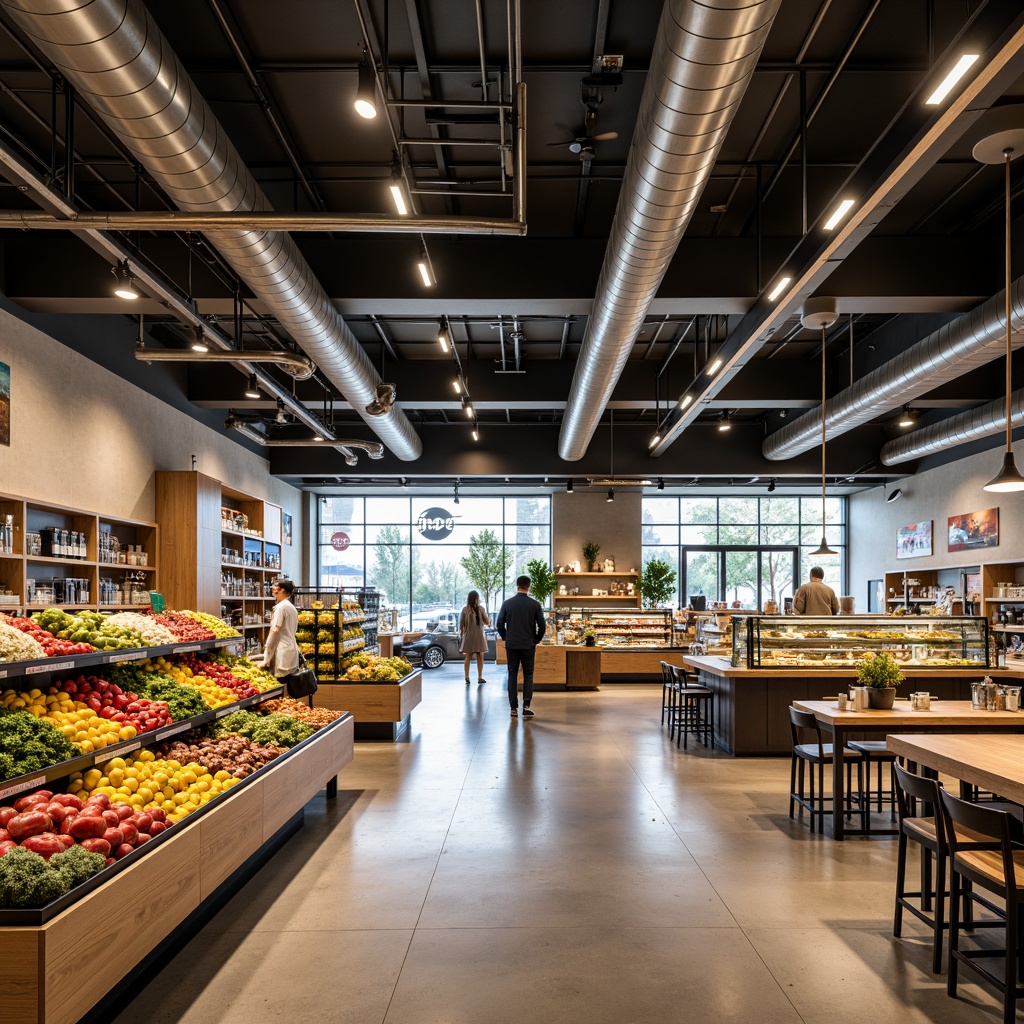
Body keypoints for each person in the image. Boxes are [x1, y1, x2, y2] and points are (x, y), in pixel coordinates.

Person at [496, 574, 546, 718]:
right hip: (528, 645)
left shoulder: (507, 603)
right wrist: (536, 640)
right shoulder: (535, 604)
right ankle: (526, 706)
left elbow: (499, 624)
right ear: (528, 586)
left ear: (517, 586)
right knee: (528, 674)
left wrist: (506, 637)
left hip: (512, 645)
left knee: (512, 674)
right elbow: (542, 626)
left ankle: (513, 708)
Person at [261, 577, 300, 679]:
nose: (273, 589)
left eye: (275, 586)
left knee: (281, 683)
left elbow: (275, 630)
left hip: (282, 650)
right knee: (289, 684)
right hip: (290, 648)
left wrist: (267, 653)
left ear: (282, 590)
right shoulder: (291, 607)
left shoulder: (281, 607)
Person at [459, 590, 490, 685]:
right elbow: (487, 622)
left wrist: (462, 635)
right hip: (479, 635)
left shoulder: (465, 609)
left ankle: (466, 677)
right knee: (480, 656)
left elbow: (461, 625)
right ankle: (480, 677)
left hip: (468, 636)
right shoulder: (481, 609)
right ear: (477, 598)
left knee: (468, 657)